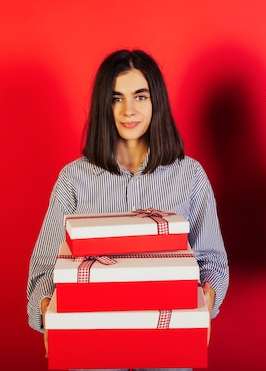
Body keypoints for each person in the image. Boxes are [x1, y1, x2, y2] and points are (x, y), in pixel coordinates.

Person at [26, 49, 230, 371]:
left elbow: (212, 260)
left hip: (168, 349)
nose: (128, 110)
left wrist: (206, 299)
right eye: (116, 98)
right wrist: (48, 309)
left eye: (140, 96)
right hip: (92, 350)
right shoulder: (74, 179)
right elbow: (44, 269)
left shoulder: (190, 177)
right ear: (103, 106)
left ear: (156, 102)